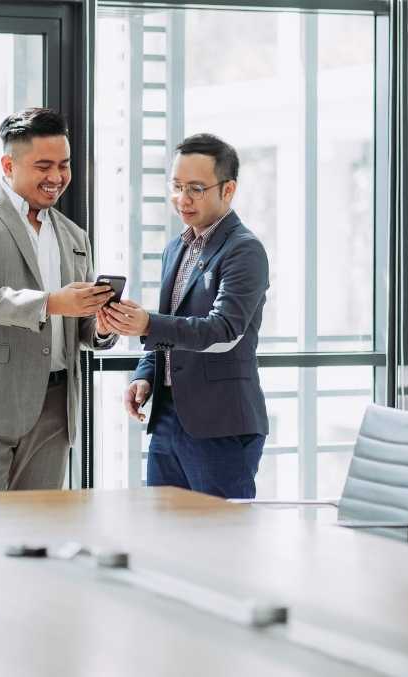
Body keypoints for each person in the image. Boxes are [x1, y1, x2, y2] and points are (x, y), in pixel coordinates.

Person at [0, 108, 118, 492]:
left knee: (40, 533)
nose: (57, 177)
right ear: (8, 164)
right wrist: (50, 303)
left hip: (55, 408)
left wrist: (101, 324)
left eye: (63, 165)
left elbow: (76, 324)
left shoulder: (75, 236)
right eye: (43, 165)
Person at [100, 133, 270, 499]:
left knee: (221, 545)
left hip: (220, 426)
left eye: (195, 188)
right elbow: (170, 325)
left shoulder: (244, 251)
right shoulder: (176, 248)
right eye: (176, 186)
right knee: (165, 539)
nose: (183, 199)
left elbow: (224, 330)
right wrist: (146, 376)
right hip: (166, 420)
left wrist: (147, 323)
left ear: (228, 190)